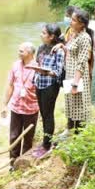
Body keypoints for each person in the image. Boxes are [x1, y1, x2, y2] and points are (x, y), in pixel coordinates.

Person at [1, 42, 40, 163]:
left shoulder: (38, 67)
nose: (19, 53)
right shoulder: (15, 65)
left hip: (31, 108)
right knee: (14, 137)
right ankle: (13, 163)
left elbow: (41, 90)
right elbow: (10, 86)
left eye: (21, 51)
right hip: (16, 108)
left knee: (28, 138)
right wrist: (4, 105)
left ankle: (23, 163)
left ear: (29, 53)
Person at [31, 24, 65, 155]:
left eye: (44, 33)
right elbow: (38, 63)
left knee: (48, 114)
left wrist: (45, 72)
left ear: (52, 37)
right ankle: (45, 141)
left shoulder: (59, 51)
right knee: (43, 114)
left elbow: (58, 71)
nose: (41, 35)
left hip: (50, 85)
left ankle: (47, 145)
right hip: (39, 83)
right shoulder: (41, 48)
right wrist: (35, 72)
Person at [62, 9, 93, 131]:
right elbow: (72, 53)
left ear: (82, 24)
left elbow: (82, 62)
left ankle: (79, 138)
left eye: (74, 20)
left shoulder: (85, 38)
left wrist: (75, 83)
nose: (71, 21)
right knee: (71, 105)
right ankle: (71, 133)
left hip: (78, 77)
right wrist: (63, 47)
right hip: (70, 75)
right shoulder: (74, 34)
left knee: (79, 108)